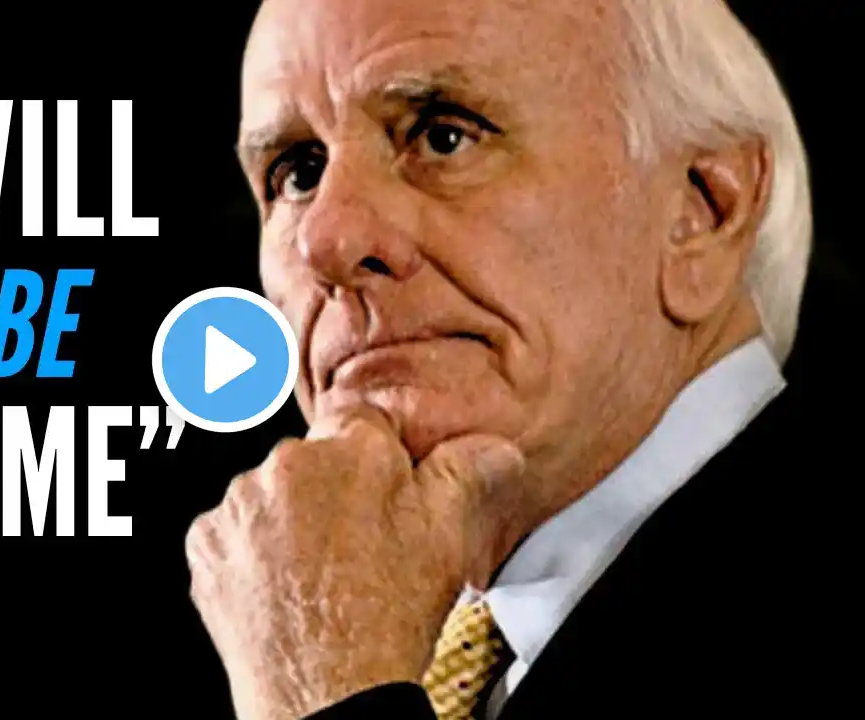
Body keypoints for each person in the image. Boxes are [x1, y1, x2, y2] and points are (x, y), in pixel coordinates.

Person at [184, 0, 846, 717]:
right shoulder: (297, 629)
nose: (327, 242)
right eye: (298, 173)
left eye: (442, 137)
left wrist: (325, 697)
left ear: (704, 213)